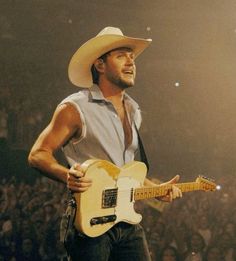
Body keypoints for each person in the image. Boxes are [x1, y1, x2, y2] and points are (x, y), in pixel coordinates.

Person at [28, 26, 182, 261]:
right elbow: (38, 154)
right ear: (99, 65)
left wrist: (156, 190)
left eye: (132, 57)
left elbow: (125, 172)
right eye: (121, 56)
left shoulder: (134, 110)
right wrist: (66, 174)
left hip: (126, 221)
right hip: (90, 221)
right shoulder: (75, 108)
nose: (131, 62)